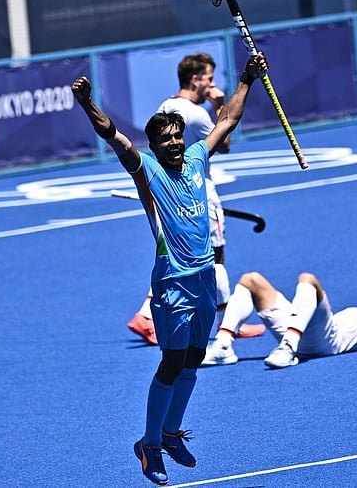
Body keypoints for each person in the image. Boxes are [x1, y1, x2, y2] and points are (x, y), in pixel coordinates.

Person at [71, 52, 268, 486]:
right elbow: (115, 137)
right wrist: (88, 104)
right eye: (167, 140)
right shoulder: (149, 173)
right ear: (156, 146)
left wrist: (247, 80)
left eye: (178, 136)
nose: (175, 143)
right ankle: (149, 444)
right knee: (171, 362)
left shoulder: (197, 159)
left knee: (195, 359)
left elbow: (227, 122)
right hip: (172, 284)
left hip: (202, 282)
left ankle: (170, 432)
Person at [126, 52, 265, 345]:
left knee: (179, 256)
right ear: (195, 79)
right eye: (209, 79)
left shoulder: (166, 106)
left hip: (171, 192)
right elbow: (224, 142)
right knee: (214, 258)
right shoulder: (197, 113)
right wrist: (218, 104)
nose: (212, 84)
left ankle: (150, 315)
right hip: (201, 192)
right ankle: (228, 324)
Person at [202, 271, 357, 369]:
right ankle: (223, 346)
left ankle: (288, 348)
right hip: (303, 329)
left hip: (324, 341)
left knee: (308, 280)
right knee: (251, 280)